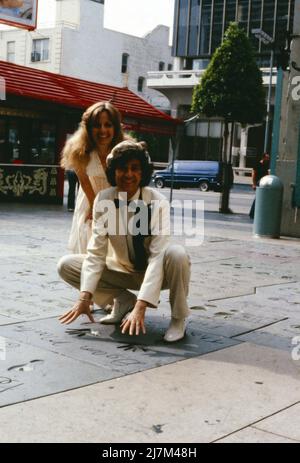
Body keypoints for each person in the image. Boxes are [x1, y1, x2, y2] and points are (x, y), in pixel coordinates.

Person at [57, 140, 191, 343]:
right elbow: (96, 253)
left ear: (143, 172)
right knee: (67, 265)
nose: (128, 174)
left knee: (177, 254)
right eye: (122, 168)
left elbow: (157, 257)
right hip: (121, 270)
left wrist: (141, 306)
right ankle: (123, 300)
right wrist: (85, 297)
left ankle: (178, 319)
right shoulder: (103, 200)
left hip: (157, 273)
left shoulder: (158, 202)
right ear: (113, 172)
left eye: (135, 169)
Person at [61, 101, 125, 253]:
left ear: (115, 127)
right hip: (90, 200)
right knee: (88, 248)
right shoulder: (78, 150)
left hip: (119, 202)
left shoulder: (125, 148)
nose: (102, 130)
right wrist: (96, 207)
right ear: (88, 128)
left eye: (108, 125)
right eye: (97, 125)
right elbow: (83, 181)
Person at [249, 152, 270, 219]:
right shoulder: (257, 164)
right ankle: (252, 213)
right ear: (263, 158)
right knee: (258, 198)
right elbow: (253, 174)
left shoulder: (266, 165)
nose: (268, 159)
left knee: (259, 198)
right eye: (267, 157)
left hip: (263, 183)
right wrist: (254, 184)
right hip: (258, 183)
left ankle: (255, 213)